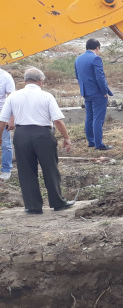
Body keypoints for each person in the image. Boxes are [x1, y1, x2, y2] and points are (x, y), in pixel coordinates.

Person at [0, 67, 75, 214]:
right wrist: (66, 138)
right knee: (50, 168)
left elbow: (2, 120)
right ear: (41, 81)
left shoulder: (13, 97)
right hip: (43, 135)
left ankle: (33, 206)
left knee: (26, 170)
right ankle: (57, 202)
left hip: (21, 135)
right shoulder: (47, 96)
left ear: (25, 80)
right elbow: (58, 120)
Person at [74, 38, 114, 150]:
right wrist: (104, 91)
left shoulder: (78, 59)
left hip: (86, 92)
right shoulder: (96, 58)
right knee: (98, 118)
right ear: (97, 48)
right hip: (97, 93)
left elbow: (78, 76)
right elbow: (100, 77)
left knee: (89, 117)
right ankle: (99, 144)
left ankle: (91, 141)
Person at [0, 67, 14, 181]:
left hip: (2, 116)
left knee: (5, 144)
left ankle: (6, 169)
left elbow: (12, 99)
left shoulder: (5, 77)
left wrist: (11, 119)